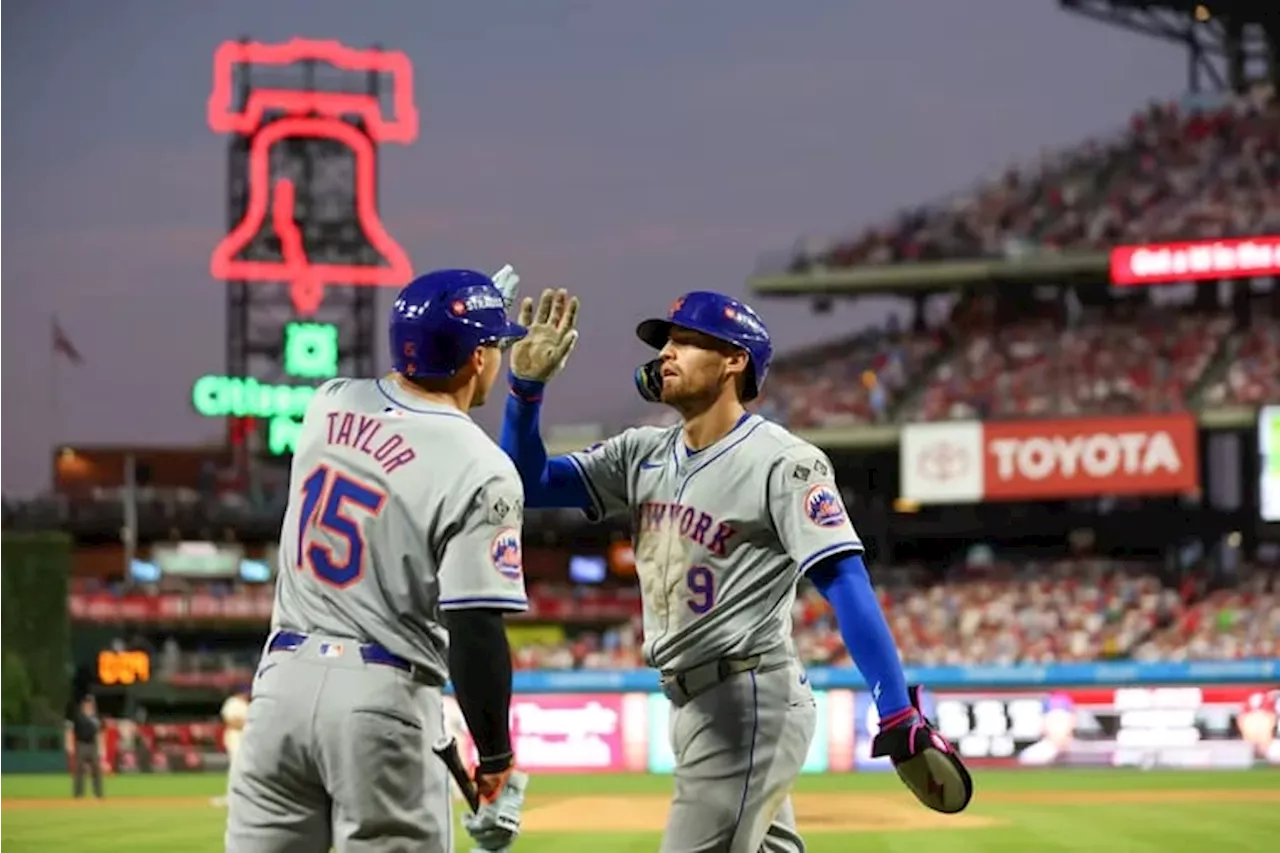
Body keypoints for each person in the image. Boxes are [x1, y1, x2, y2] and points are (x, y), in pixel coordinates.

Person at [500, 288, 972, 852]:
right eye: (665, 343)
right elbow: (526, 484)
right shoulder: (640, 453)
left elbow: (844, 581)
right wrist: (525, 391)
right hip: (695, 701)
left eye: (686, 341)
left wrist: (895, 710)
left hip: (745, 699)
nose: (667, 353)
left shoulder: (784, 461)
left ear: (734, 360)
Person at [225, 268, 535, 853]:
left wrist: (456, 321)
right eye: (495, 345)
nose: (498, 356)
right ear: (477, 358)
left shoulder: (327, 404)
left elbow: (399, 403)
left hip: (278, 692)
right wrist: (495, 755)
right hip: (380, 698)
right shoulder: (484, 468)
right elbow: (474, 627)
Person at [211, 684, 252, 807]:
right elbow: (230, 721)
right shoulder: (232, 702)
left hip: (245, 739)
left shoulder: (247, 704)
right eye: (245, 692)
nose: (247, 694)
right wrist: (248, 724)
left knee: (244, 769)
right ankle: (231, 797)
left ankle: (243, 797)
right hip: (235, 738)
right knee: (236, 768)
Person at [65, 693, 106, 799]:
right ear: (83, 705)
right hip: (81, 744)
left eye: (90, 703)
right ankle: (78, 794)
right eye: (86, 703)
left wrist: (102, 748)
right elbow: (70, 731)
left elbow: (100, 733)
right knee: (79, 769)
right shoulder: (78, 717)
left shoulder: (96, 718)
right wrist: (70, 745)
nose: (88, 705)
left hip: (92, 745)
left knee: (96, 769)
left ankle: (98, 793)